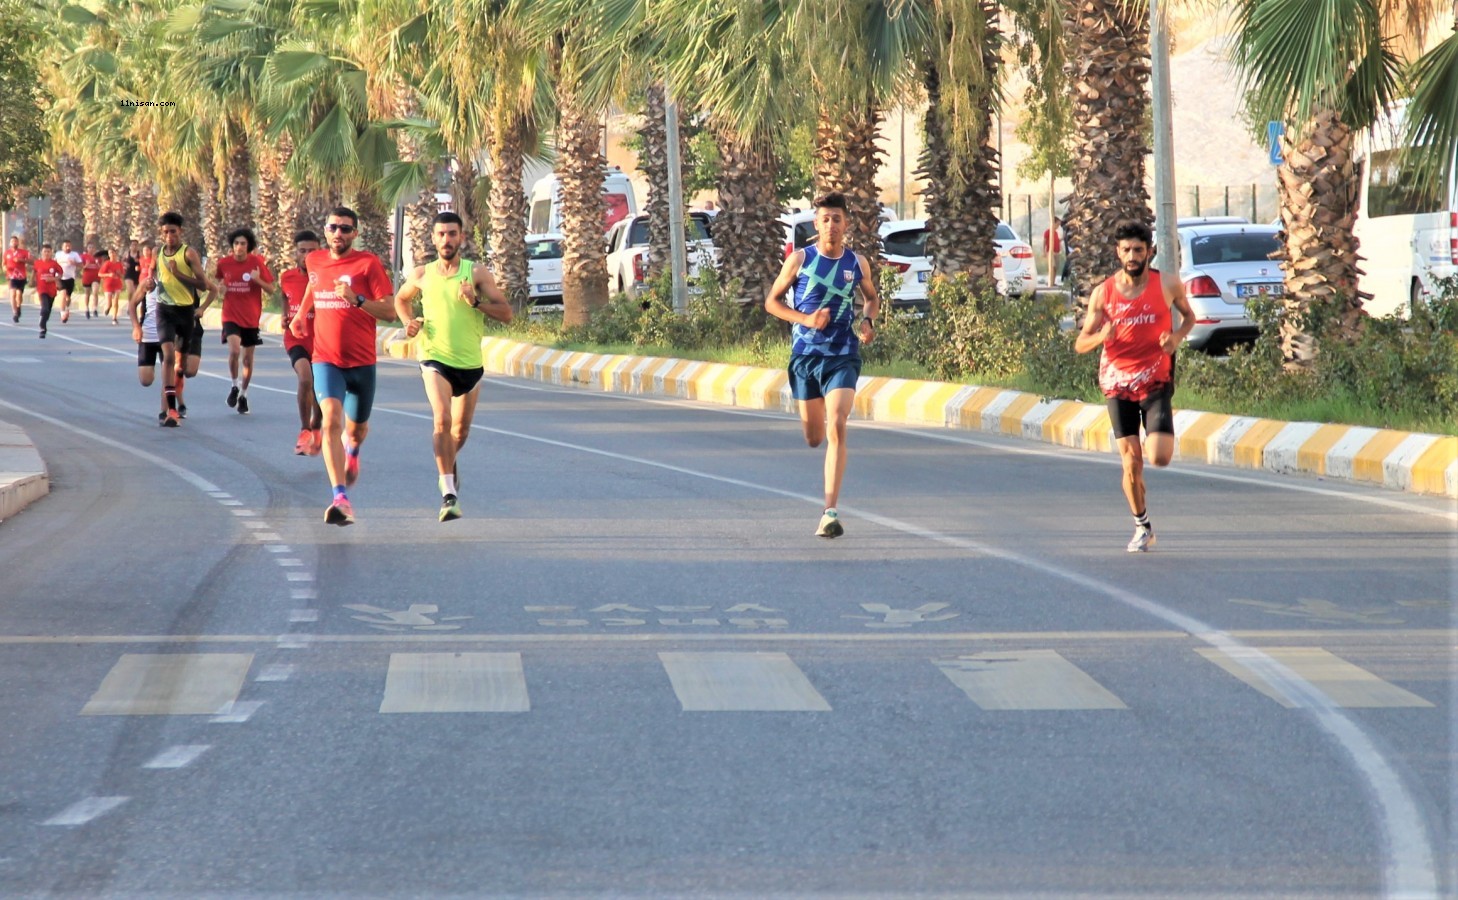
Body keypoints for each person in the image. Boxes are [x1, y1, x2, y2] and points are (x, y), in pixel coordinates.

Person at [763, 191, 881, 538]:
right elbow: (772, 302)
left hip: (843, 355)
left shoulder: (857, 264)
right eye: (825, 219)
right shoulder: (800, 259)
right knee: (815, 437)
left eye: (837, 219)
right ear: (816, 224)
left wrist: (868, 322)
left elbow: (871, 299)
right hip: (805, 357)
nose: (831, 225)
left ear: (847, 224)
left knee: (838, 425)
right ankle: (817, 441)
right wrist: (806, 319)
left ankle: (829, 512)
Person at [1074, 220, 1195, 552]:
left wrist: (1176, 339)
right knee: (1131, 461)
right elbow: (1080, 343)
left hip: (1155, 378)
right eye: (1126, 250)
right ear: (1118, 252)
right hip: (1117, 382)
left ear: (1149, 252)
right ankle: (1142, 526)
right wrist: (1102, 336)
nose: (1132, 255)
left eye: (1138, 250)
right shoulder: (1104, 293)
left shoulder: (1168, 284)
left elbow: (1189, 318)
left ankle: (1143, 486)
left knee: (1159, 457)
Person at [393, 211, 512, 522]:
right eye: (441, 234)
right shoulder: (421, 274)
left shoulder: (476, 273)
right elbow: (400, 300)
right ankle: (449, 494)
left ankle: (446, 463)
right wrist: (409, 323)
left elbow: (506, 313)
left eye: (452, 234)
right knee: (442, 420)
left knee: (460, 431)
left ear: (462, 237)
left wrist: (474, 303)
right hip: (434, 358)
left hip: (470, 364)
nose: (447, 240)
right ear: (433, 238)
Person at [289, 206, 396, 525]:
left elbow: (390, 312)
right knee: (331, 420)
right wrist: (299, 315)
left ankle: (353, 451)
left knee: (357, 429)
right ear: (325, 230)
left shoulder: (368, 264)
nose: (339, 233)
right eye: (334, 227)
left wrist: (358, 300)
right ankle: (340, 499)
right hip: (326, 359)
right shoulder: (315, 260)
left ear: (355, 234)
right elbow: (313, 283)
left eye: (346, 229)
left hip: (362, 362)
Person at [153, 211, 210, 426]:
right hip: (164, 310)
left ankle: (175, 400)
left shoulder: (189, 254)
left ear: (181, 232)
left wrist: (179, 275)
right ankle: (171, 410)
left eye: (173, 232)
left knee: (182, 367)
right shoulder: (157, 252)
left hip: (186, 312)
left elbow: (203, 285)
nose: (169, 236)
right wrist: (150, 283)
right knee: (168, 357)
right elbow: (153, 274)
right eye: (165, 232)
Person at [213, 227, 276, 414]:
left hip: (251, 317)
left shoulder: (257, 263)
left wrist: (258, 280)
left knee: (247, 360)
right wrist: (221, 289)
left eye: (243, 244)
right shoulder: (224, 263)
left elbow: (271, 289)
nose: (239, 247)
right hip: (230, 315)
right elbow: (220, 284)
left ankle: (244, 394)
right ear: (232, 246)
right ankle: (234, 385)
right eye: (236, 243)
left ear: (248, 246)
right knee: (234, 351)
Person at [280, 229, 323, 455]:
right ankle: (305, 430)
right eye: (302, 251)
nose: (307, 255)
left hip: (323, 341)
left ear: (320, 252)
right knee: (306, 379)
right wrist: (284, 314)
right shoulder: (287, 276)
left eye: (312, 251)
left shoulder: (326, 276)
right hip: (296, 338)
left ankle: (316, 426)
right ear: (295, 254)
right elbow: (284, 296)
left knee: (321, 390)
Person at [127, 265, 168, 423]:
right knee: (146, 380)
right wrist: (136, 327)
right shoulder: (148, 283)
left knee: (168, 376)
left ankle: (165, 411)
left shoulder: (178, 284)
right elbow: (132, 305)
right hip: (148, 335)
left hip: (168, 336)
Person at [33, 244, 61, 339]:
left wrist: (54, 279)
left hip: (52, 290)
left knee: (48, 311)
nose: (46, 253)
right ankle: (42, 328)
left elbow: (60, 274)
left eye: (48, 252)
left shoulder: (54, 264)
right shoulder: (37, 263)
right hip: (42, 289)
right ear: (41, 253)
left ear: (51, 253)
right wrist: (32, 282)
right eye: (45, 251)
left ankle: (43, 319)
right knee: (45, 308)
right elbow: (34, 272)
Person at [54, 239, 82, 324]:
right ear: (62, 247)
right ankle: (62, 313)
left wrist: (74, 263)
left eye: (69, 246)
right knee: (63, 294)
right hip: (60, 278)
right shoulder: (58, 254)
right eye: (66, 246)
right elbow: (53, 264)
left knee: (68, 297)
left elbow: (81, 265)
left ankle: (66, 308)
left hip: (70, 278)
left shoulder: (75, 255)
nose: (67, 247)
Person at [5, 236, 30, 324]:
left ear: (18, 243)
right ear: (10, 243)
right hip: (11, 276)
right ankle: (15, 313)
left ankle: (18, 306)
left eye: (16, 241)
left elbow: (30, 261)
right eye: (12, 241)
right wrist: (5, 269)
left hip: (21, 276)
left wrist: (21, 260)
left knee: (19, 294)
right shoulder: (6, 253)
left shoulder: (23, 252)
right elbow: (4, 264)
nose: (14, 243)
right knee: (12, 294)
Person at [97, 250, 126, 324]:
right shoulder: (107, 263)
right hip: (108, 284)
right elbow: (100, 274)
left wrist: (120, 274)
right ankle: (108, 308)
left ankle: (114, 318)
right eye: (110, 253)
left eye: (113, 253)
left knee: (116, 301)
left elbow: (123, 275)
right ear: (109, 255)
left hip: (117, 284)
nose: (112, 254)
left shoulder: (119, 264)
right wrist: (108, 275)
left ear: (116, 254)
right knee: (109, 303)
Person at [79, 243, 101, 319]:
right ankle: (86, 308)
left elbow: (102, 267)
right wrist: (86, 265)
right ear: (87, 248)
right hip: (87, 277)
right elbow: (81, 268)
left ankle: (95, 309)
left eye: (92, 247)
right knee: (87, 294)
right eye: (90, 247)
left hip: (96, 277)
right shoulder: (83, 256)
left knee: (95, 292)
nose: (91, 249)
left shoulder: (98, 257)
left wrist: (98, 265)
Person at [1042, 215, 1065, 286]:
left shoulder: (1056, 233)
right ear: (1053, 223)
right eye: (1057, 224)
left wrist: (1063, 238)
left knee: (1055, 268)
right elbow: (1044, 242)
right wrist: (1044, 251)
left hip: (1057, 253)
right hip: (1050, 252)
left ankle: (1053, 282)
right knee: (1052, 266)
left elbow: (1057, 241)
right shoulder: (1047, 232)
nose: (1058, 226)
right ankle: (1049, 281)